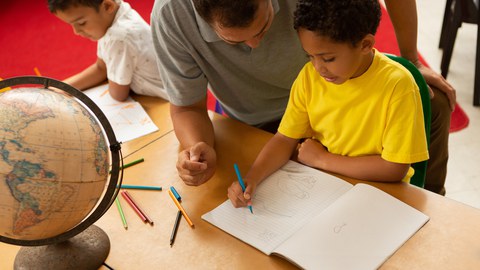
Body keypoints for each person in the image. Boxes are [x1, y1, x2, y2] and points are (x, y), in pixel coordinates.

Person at [151, 0, 455, 195]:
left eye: (264, 26)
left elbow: (394, 167)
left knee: (435, 102)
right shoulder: (310, 76)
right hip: (269, 121)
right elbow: (187, 106)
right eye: (234, 41)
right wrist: (198, 148)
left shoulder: (328, 73)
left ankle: (433, 196)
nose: (256, 45)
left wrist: (410, 61)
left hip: (335, 119)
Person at [227, 0, 429, 208]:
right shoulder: (309, 78)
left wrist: (323, 160)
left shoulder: (398, 85)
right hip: (329, 189)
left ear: (365, 45)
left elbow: (394, 168)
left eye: (328, 58)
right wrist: (253, 178)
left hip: (383, 195)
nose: (318, 68)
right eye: (310, 56)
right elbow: (284, 139)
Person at [48, 0, 168, 101]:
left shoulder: (118, 37)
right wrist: (62, 87)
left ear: (107, 6)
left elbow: (118, 94)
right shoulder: (116, 12)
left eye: (81, 23)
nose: (76, 31)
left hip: (168, 99)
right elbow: (101, 68)